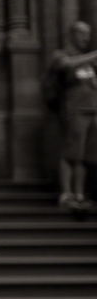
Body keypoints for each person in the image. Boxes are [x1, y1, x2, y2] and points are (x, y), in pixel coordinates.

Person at [51, 20, 97, 208]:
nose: (86, 37)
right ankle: (66, 193)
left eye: (88, 33)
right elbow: (65, 66)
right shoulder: (61, 55)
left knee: (84, 156)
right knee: (71, 152)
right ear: (72, 35)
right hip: (74, 110)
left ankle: (79, 194)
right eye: (82, 33)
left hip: (92, 110)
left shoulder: (88, 62)